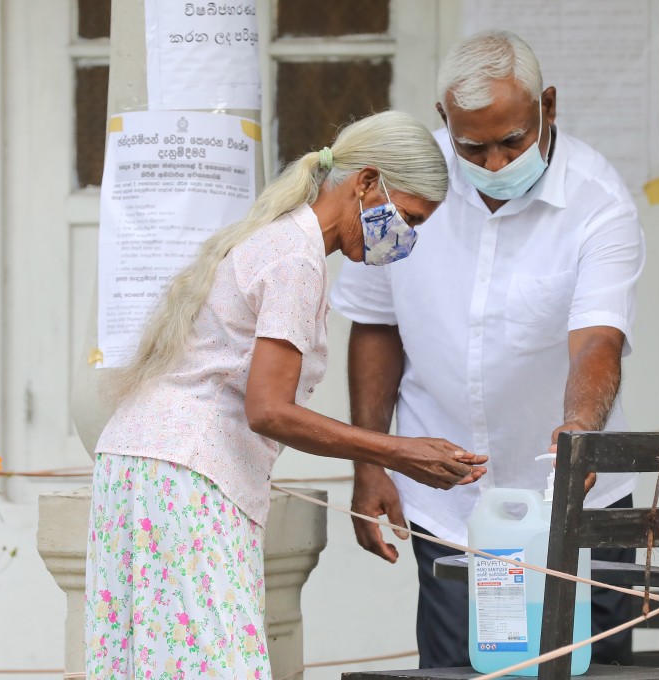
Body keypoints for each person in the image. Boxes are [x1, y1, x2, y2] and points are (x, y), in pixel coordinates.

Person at [84, 110, 489, 680]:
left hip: (141, 462)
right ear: (366, 182)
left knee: (152, 662)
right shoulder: (297, 258)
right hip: (188, 475)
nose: (408, 237)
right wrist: (397, 452)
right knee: (216, 664)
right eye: (409, 217)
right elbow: (269, 409)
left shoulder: (279, 239)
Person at [330, 31, 645, 668]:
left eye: (513, 141)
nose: (496, 163)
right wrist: (371, 461)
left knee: (589, 672)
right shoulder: (400, 194)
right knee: (459, 669)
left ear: (548, 107)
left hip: (578, 499)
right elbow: (376, 325)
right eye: (475, 147)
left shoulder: (597, 202)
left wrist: (579, 431)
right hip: (449, 505)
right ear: (445, 121)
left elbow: (597, 341)